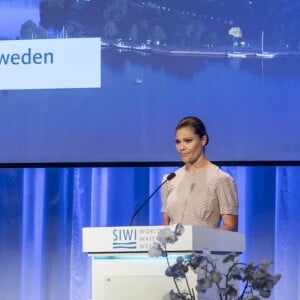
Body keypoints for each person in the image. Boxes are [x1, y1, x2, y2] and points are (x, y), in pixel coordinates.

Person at [161, 116, 238, 231]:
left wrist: (199, 239)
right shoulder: (170, 179)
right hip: (174, 248)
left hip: (205, 248)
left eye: (188, 141)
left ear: (203, 140)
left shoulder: (221, 179)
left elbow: (231, 227)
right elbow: (166, 226)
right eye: (178, 142)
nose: (182, 147)